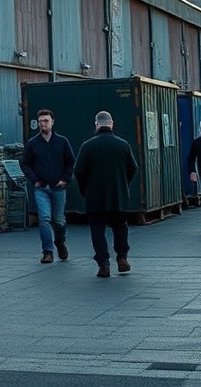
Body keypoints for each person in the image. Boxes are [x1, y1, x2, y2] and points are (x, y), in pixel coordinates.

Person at [74, 110, 139, 278]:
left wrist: (85, 190)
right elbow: (133, 168)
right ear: (111, 123)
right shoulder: (123, 145)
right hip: (118, 196)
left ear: (96, 124)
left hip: (95, 197)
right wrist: (123, 184)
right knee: (120, 226)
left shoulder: (87, 145)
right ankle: (122, 256)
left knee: (97, 229)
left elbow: (79, 171)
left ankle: (103, 263)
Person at [20, 108, 76, 264]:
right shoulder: (33, 143)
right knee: (44, 219)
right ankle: (47, 252)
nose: (43, 124)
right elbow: (25, 164)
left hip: (59, 187)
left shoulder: (62, 142)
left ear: (53, 122)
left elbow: (70, 162)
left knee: (58, 220)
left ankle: (60, 242)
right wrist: (35, 180)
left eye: (46, 121)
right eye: (40, 121)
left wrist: (65, 179)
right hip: (41, 188)